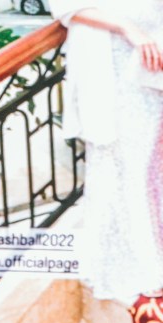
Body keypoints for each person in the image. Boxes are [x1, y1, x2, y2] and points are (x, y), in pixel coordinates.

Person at [51, 1, 163, 301]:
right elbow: (65, 7)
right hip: (110, 67)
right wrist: (128, 27)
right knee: (126, 165)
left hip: (152, 61)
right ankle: (141, 265)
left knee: (152, 165)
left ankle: (154, 251)